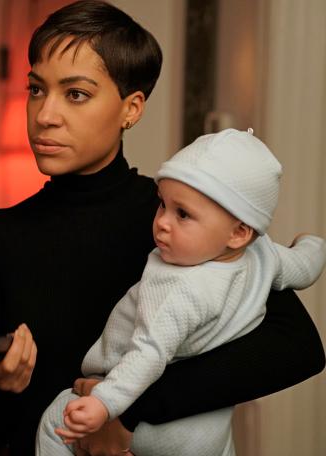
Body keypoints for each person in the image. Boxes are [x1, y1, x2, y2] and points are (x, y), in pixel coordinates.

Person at [0, 1, 325, 455]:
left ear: (131, 109)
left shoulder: (181, 218)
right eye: (36, 89)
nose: (44, 114)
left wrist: (127, 416)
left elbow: (297, 348)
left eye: (75, 94)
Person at [36, 128, 326, 456]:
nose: (162, 222)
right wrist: (312, 243)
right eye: (162, 205)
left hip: (149, 422)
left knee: (56, 419)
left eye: (183, 214)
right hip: (207, 425)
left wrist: (104, 404)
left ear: (239, 233)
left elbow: (148, 353)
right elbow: (303, 266)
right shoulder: (263, 257)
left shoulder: (176, 286)